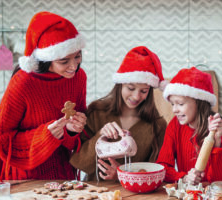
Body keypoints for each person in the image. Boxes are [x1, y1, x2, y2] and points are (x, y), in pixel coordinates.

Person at [0, 11, 87, 180]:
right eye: (64, 61)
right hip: (25, 177)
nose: (73, 66)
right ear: (46, 59)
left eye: (77, 57)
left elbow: (77, 138)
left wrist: (71, 130)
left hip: (63, 174)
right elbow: (1, 140)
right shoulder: (23, 82)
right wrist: (45, 136)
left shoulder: (79, 77)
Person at [70, 46, 167, 181]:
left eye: (143, 91)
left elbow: (156, 173)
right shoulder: (97, 113)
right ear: (120, 84)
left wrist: (123, 176)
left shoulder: (157, 125)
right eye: (131, 88)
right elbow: (78, 162)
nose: (136, 96)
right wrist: (100, 136)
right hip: (94, 193)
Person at [156, 67, 222, 185]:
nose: (174, 110)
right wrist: (184, 178)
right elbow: (162, 167)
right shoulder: (175, 125)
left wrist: (217, 141)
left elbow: (221, 181)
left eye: (180, 104)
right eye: (172, 104)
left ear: (200, 102)